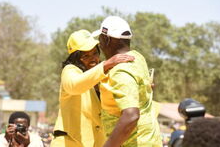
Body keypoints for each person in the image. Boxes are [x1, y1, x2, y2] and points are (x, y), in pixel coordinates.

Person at [51, 29, 134, 147]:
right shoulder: (70, 70)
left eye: (95, 53)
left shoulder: (103, 76)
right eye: (86, 55)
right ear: (75, 58)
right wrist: (105, 65)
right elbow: (74, 86)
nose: (93, 58)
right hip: (69, 142)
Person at [92, 16, 162, 147]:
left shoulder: (121, 71)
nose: (99, 43)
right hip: (149, 140)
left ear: (107, 39)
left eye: (100, 38)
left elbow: (131, 116)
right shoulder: (137, 58)